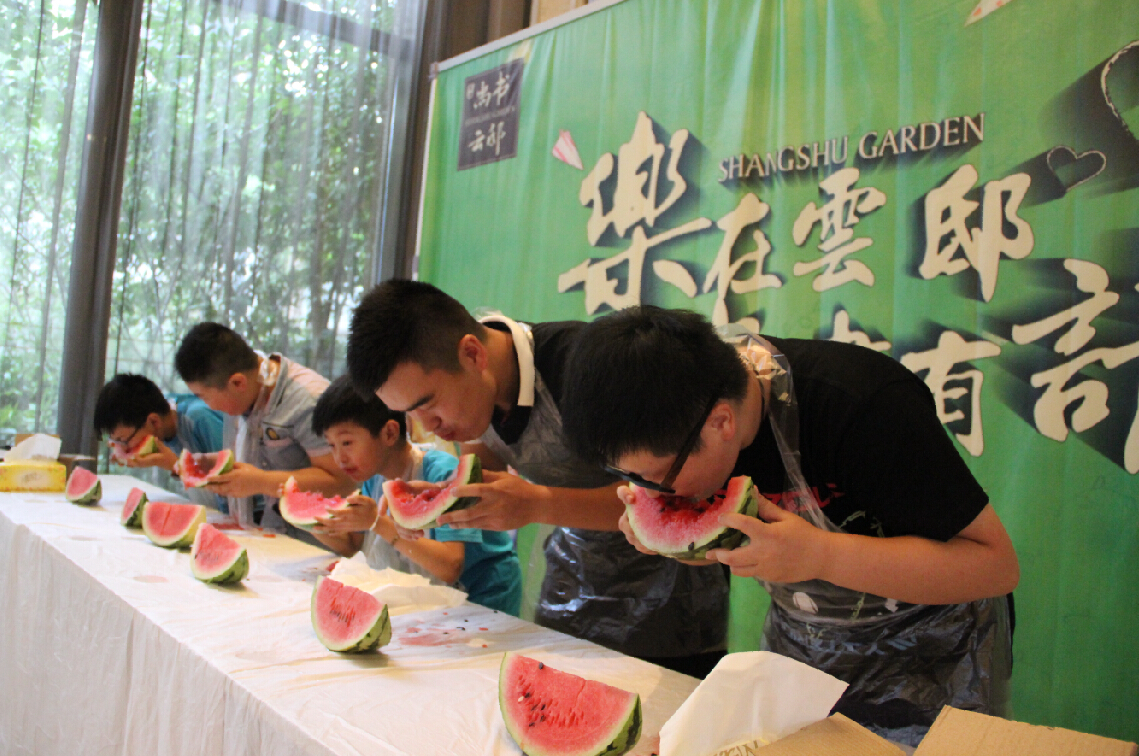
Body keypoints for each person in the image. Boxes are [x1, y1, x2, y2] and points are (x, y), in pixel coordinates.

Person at [557, 305, 1019, 745]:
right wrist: (672, 537)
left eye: (657, 477)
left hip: (932, 658)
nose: (651, 493)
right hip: (804, 648)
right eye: (630, 477)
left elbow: (995, 566)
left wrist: (821, 555)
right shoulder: (687, 411)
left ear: (721, 423)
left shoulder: (865, 407)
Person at [347, 281, 729, 678]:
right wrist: (444, 500)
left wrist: (535, 503)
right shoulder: (472, 393)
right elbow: (485, 479)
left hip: (671, 606)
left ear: (472, 354)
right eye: (409, 413)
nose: (428, 427)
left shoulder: (585, 367)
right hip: (570, 591)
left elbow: (666, 494)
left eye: (427, 405)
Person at [309, 376, 523, 615]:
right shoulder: (373, 477)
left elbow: (450, 566)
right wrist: (315, 525)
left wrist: (378, 523)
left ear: (389, 433)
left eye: (347, 442)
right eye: (331, 445)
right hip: (437, 597)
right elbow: (357, 547)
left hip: (484, 593)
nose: (339, 458)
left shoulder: (442, 472)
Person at [174, 322, 354, 531]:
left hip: (319, 538)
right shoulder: (247, 390)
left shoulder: (309, 401)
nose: (208, 406)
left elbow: (343, 481)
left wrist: (261, 482)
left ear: (237, 383)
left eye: (203, 396)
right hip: (273, 530)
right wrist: (213, 464)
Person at [93, 373, 227, 510]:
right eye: (115, 442)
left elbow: (229, 497)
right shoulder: (161, 416)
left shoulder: (201, 420)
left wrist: (174, 465)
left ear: (154, 421)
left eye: (124, 441)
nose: (125, 449)